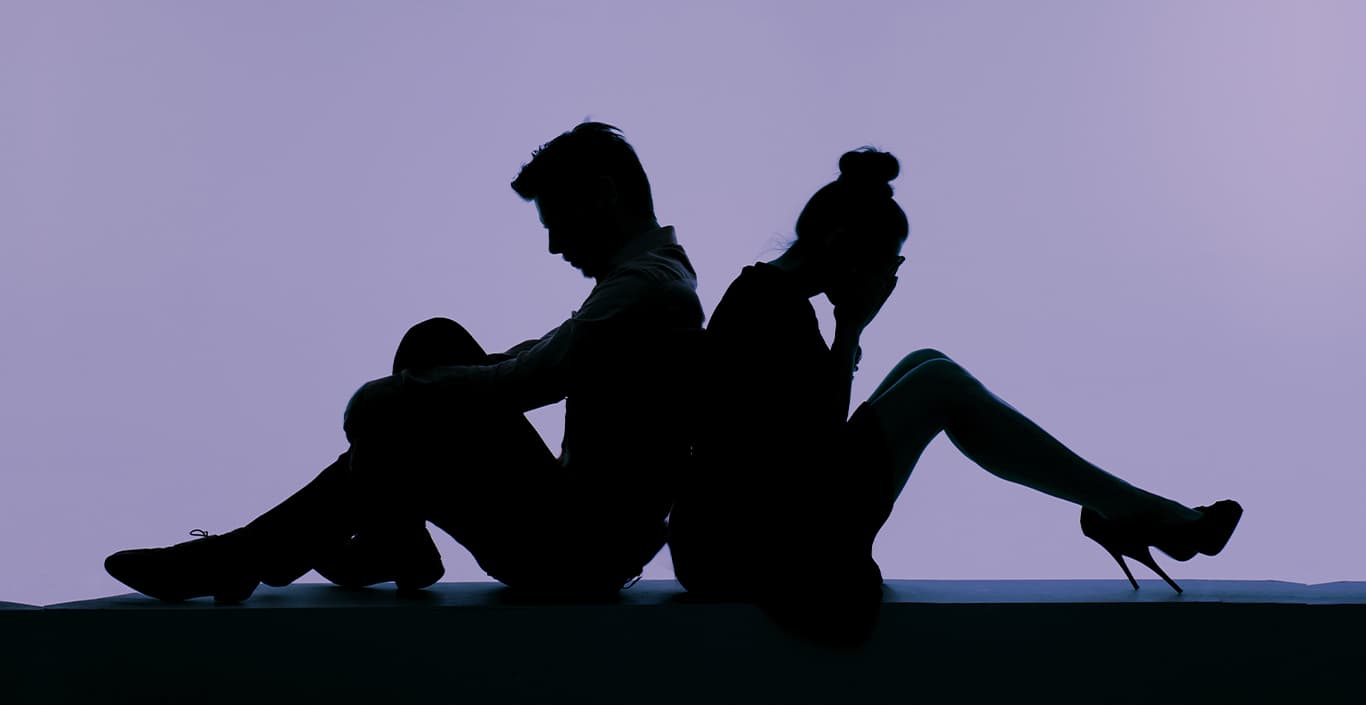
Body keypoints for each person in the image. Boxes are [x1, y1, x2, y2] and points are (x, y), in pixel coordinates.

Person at [105, 122, 704, 602]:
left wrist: (388, 396)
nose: (554, 246)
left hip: (575, 554)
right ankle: (350, 544)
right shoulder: (649, 282)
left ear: (604, 194)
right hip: (580, 539)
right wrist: (416, 388)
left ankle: (268, 554)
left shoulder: (646, 290)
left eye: (560, 222)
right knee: (434, 350)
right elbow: (535, 356)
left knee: (412, 397)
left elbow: (525, 381)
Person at [667, 148, 1243, 644]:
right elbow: (814, 446)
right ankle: (1145, 515)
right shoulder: (768, 305)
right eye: (887, 264)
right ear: (841, 243)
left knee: (926, 363)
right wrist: (851, 329)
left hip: (751, 529)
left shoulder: (773, 297)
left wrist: (847, 332)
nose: (889, 280)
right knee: (937, 383)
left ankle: (1134, 511)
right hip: (748, 548)